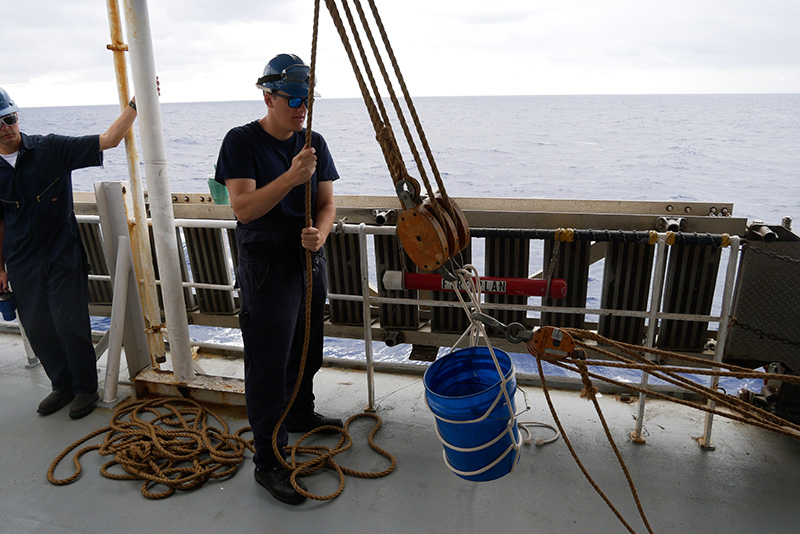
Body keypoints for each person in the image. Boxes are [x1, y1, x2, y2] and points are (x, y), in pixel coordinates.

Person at [214, 53, 343, 505]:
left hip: (307, 257)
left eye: (307, 97)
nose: (301, 105)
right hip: (266, 261)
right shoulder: (240, 142)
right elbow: (243, 208)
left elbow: (327, 204)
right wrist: (290, 178)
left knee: (308, 345)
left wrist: (320, 236)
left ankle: (301, 412)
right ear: (268, 97)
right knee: (268, 362)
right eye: (292, 97)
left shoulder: (315, 142)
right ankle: (268, 461)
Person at [0, 86, 139, 419]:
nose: (5, 127)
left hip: (62, 254)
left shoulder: (51, 149)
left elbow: (108, 140)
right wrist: (1, 268)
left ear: (17, 116)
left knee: (69, 323)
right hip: (21, 261)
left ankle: (85, 389)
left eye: (9, 118)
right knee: (38, 326)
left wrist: (137, 103)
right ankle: (61, 386)